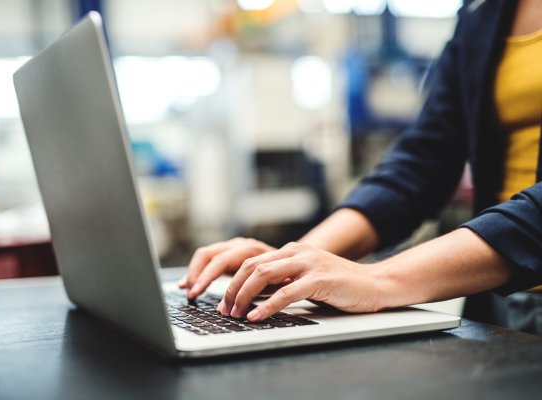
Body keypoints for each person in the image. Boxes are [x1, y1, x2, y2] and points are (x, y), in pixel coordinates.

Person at [179, 0, 542, 334]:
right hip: (498, 299)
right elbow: (425, 159)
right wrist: (290, 263)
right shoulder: (483, 8)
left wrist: (379, 280)